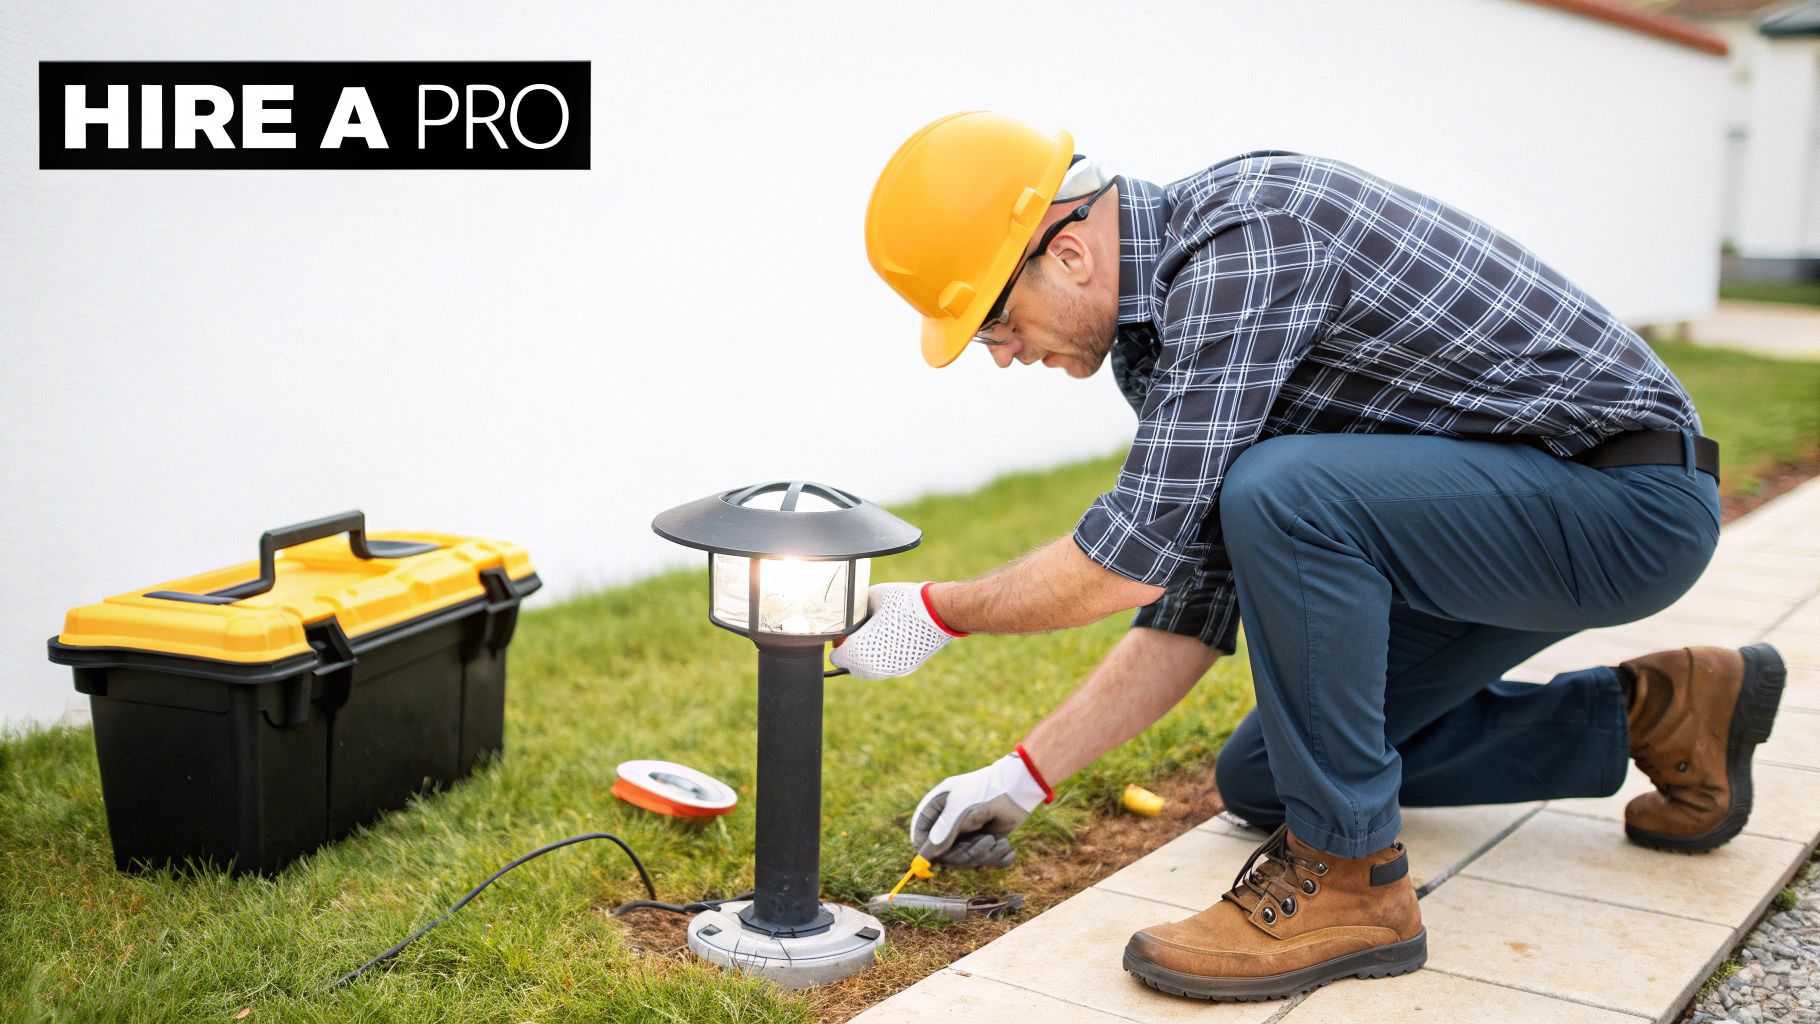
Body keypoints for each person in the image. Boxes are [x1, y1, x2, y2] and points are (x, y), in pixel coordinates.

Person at [838, 111, 1789, 1001]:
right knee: (1267, 777)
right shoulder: (1156, 340)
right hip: (1497, 529)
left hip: (1623, 503)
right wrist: (1021, 777)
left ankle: (1350, 886)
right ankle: (1662, 716)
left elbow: (1126, 556)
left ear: (1071, 252)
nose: (1002, 354)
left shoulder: (1248, 240)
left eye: (996, 324)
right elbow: (1189, 602)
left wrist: (937, 610)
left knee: (1285, 492)